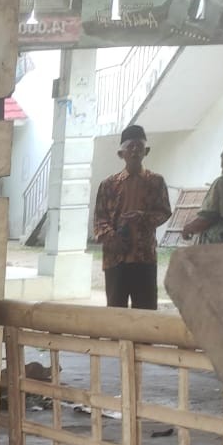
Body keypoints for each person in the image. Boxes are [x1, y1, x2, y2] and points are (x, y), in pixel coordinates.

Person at [93, 124, 172, 310]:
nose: (135, 150)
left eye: (139, 146)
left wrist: (143, 217)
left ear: (147, 151)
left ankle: (143, 341)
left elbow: (164, 211)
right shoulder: (108, 185)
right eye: (130, 147)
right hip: (115, 258)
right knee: (116, 311)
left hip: (144, 256)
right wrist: (113, 238)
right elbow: (99, 219)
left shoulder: (156, 182)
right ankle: (116, 340)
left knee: (145, 313)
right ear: (121, 154)